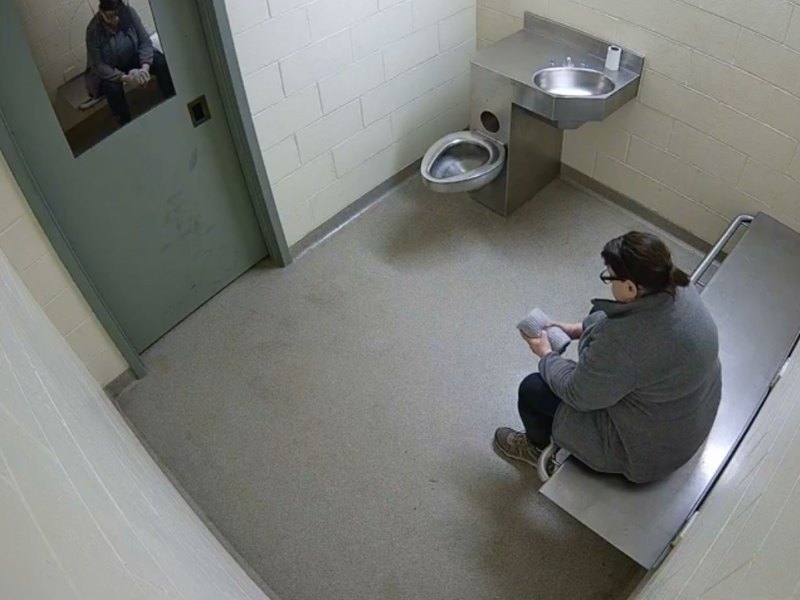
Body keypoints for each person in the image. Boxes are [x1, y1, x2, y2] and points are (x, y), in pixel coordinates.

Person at [494, 232, 722, 483]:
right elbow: (622, 319)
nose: (609, 283)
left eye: (609, 277)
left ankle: (534, 448)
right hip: (695, 410)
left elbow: (577, 393)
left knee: (533, 390)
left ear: (631, 287)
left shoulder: (624, 343)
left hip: (649, 453)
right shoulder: (676, 284)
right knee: (602, 310)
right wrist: (573, 329)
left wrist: (545, 353)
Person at [85, 0, 175, 125]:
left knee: (160, 61)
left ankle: (172, 98)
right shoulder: (93, 30)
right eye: (110, 16)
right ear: (101, 13)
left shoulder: (129, 13)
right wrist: (124, 78)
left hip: (131, 56)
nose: (115, 20)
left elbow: (145, 41)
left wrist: (145, 68)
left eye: (117, 14)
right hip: (110, 68)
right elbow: (98, 65)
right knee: (113, 88)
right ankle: (124, 122)